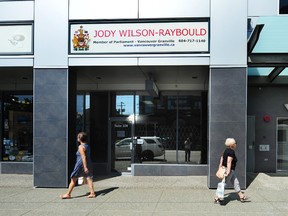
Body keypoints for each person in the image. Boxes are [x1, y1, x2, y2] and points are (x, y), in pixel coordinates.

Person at [60, 132, 95, 199]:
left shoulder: (81, 147)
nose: (77, 138)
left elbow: (83, 157)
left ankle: (68, 194)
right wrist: (86, 166)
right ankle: (92, 193)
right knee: (89, 178)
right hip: (88, 163)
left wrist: (85, 167)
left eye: (78, 137)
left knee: (73, 178)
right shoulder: (87, 146)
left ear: (79, 139)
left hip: (80, 164)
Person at [214, 138, 248, 204]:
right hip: (229, 170)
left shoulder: (225, 151)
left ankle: (241, 196)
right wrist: (228, 171)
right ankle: (216, 198)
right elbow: (229, 162)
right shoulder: (231, 152)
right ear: (232, 144)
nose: (236, 144)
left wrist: (220, 167)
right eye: (235, 143)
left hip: (228, 170)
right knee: (223, 184)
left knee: (236, 183)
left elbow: (221, 160)